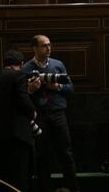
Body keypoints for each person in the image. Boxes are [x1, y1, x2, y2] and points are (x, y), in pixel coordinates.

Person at [22, 35, 80, 192]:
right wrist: (30, 89)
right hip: (39, 115)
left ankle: (73, 188)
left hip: (58, 113)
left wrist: (57, 87)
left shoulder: (58, 65)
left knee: (66, 152)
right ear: (34, 48)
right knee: (42, 155)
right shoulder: (27, 68)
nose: (48, 48)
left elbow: (70, 89)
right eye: (43, 45)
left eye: (49, 45)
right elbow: (21, 96)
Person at [0, 50, 36, 192]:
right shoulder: (19, 75)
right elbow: (22, 101)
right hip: (16, 137)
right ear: (21, 64)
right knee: (18, 180)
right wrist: (32, 110)